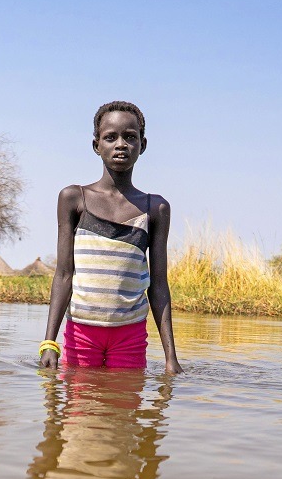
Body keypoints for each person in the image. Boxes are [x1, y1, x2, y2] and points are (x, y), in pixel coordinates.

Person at [38, 101, 183, 374]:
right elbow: (63, 275)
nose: (121, 144)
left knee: (126, 406)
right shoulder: (74, 199)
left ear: (143, 145)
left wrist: (170, 358)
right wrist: (49, 343)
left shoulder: (155, 208)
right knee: (79, 412)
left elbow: (159, 285)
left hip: (129, 334)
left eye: (130, 137)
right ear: (96, 146)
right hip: (82, 330)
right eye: (110, 137)